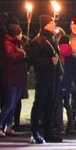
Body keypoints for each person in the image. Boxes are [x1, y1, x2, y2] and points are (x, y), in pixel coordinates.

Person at [29, 15, 63, 143]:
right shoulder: (37, 41)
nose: (54, 24)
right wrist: (49, 61)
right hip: (43, 79)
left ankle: (49, 133)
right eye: (51, 22)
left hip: (54, 78)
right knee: (39, 105)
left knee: (51, 106)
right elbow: (34, 60)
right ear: (45, 25)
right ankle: (34, 132)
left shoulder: (52, 39)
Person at [0, 23, 29, 138]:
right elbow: (11, 57)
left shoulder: (18, 43)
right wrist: (22, 53)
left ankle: (9, 126)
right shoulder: (7, 43)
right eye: (20, 33)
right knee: (9, 103)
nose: (21, 35)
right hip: (11, 76)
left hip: (19, 77)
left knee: (13, 104)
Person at [57, 35, 76, 135]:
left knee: (59, 105)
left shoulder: (57, 53)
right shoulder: (72, 56)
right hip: (68, 83)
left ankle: (60, 127)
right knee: (68, 105)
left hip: (59, 83)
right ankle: (71, 126)